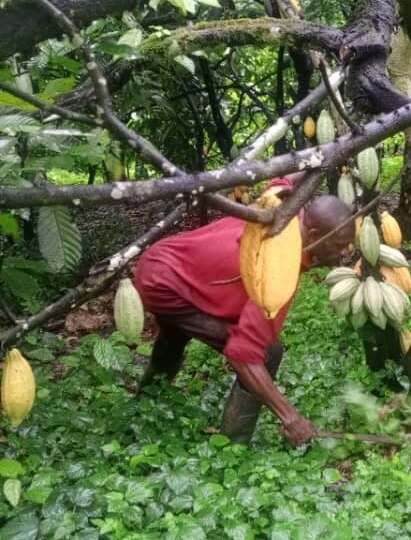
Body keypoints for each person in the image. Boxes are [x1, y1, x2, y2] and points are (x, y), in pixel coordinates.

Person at [133, 176, 355, 447]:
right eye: (339, 243)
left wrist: (314, 165)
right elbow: (243, 354)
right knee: (266, 351)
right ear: (313, 236)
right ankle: (233, 447)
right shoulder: (277, 270)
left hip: (165, 262)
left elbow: (279, 181)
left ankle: (144, 402)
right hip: (163, 284)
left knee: (176, 331)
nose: (346, 251)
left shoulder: (286, 210)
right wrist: (290, 417)